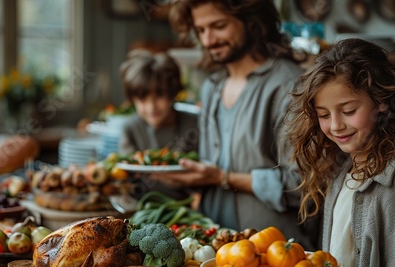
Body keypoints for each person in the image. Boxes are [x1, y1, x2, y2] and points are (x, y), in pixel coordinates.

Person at [165, 0, 318, 250]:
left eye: (218, 26)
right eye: (201, 30)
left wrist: (223, 178)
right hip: (211, 251)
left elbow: (304, 187)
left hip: (274, 255)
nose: (208, 40)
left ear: (251, 21)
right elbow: (211, 169)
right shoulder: (212, 88)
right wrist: (187, 177)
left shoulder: (288, 85)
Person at [286, 38, 395, 267]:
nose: (336, 126)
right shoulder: (342, 173)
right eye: (324, 115)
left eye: (348, 111)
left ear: (382, 102)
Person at [118, 49, 199, 199]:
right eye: (142, 99)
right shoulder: (130, 128)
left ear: (173, 92)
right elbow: (126, 176)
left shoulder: (194, 125)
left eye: (159, 96)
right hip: (141, 205)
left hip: (186, 206)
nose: (151, 107)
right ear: (132, 99)